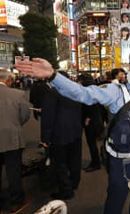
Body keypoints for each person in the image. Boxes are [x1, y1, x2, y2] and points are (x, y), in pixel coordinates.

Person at [15, 49, 130, 214]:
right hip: (120, 161)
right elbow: (84, 93)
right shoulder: (115, 91)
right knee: (116, 198)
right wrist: (52, 75)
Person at [41, 71, 82, 200]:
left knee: (60, 163)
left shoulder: (51, 93)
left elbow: (47, 118)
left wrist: (45, 138)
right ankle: (74, 183)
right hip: (75, 131)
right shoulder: (75, 91)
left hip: (58, 133)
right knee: (75, 160)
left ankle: (66, 190)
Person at [0, 69, 31, 212]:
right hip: (12, 137)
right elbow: (25, 115)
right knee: (13, 171)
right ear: (8, 80)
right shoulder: (18, 94)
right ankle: (16, 201)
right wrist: (15, 124)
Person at [78, 73, 104, 172]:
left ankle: (95, 163)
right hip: (97, 120)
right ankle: (98, 160)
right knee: (95, 142)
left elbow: (90, 106)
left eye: (80, 80)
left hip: (91, 122)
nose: (78, 82)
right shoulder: (95, 89)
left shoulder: (87, 91)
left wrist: (88, 118)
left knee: (92, 143)